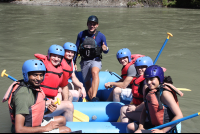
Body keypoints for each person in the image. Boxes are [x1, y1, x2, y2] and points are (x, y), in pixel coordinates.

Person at [2, 59, 71, 133]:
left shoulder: (33, 87)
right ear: (26, 75)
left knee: (62, 119)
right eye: (35, 75)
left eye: (41, 75)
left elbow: (32, 114)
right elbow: (19, 130)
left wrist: (48, 111)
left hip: (33, 124)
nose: (39, 78)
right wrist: (45, 128)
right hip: (26, 129)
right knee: (67, 130)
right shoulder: (23, 97)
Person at [126, 65, 183, 133]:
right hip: (155, 125)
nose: (149, 82)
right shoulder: (149, 91)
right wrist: (141, 127)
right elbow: (144, 111)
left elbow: (179, 116)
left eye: (152, 79)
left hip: (167, 129)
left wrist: (162, 131)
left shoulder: (165, 94)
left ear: (159, 78)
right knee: (130, 127)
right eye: (147, 79)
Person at [73, 15, 109, 101]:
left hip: (95, 60)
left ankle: (94, 96)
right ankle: (92, 99)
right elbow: (76, 49)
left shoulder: (101, 36)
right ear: (87, 24)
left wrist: (105, 49)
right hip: (84, 61)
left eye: (94, 24)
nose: (92, 26)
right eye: (90, 24)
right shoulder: (81, 34)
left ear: (97, 25)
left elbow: (106, 50)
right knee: (87, 82)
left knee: (94, 73)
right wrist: (73, 63)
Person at [34, 44, 74, 122]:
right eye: (54, 56)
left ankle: (63, 116)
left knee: (69, 95)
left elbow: (64, 86)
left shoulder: (59, 69)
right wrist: (44, 102)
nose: (56, 59)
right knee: (69, 105)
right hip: (39, 103)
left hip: (49, 99)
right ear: (49, 56)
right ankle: (69, 128)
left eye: (59, 57)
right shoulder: (41, 67)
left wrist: (65, 100)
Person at [120, 56, 153, 123]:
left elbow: (147, 102)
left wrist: (135, 108)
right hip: (146, 109)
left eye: (142, 67)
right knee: (125, 108)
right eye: (138, 67)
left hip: (150, 115)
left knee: (123, 110)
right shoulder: (146, 80)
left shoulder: (147, 84)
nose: (139, 69)